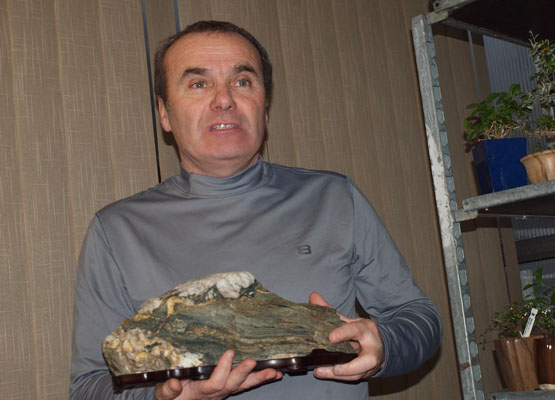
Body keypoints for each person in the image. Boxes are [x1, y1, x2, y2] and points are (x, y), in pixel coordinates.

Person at [70, 20, 442, 400]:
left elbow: (419, 317)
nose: (224, 100)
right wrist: (163, 398)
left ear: (265, 107)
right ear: (164, 113)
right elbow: (89, 387)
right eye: (198, 84)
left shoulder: (334, 198)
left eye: (242, 81)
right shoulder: (117, 231)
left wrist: (383, 346)